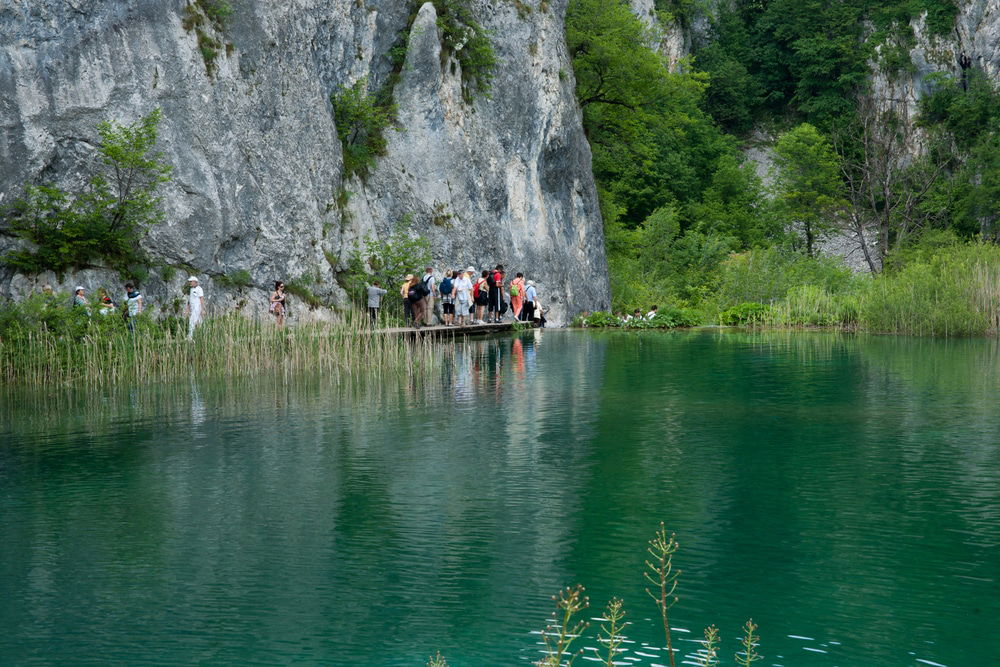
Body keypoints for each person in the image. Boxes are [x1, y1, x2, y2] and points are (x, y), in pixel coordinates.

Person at [185, 276, 205, 340]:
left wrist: (202, 309)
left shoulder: (199, 289)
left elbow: (201, 299)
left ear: (195, 282)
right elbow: (190, 299)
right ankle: (203, 335)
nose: (190, 283)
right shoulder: (191, 289)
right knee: (200, 322)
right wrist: (187, 308)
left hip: (197, 308)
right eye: (189, 281)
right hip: (192, 308)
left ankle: (190, 337)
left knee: (191, 321)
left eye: (191, 281)